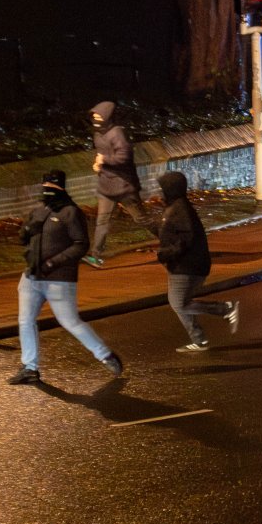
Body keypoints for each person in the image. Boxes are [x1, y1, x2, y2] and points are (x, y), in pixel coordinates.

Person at [9, 170, 122, 384]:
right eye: (45, 187)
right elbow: (23, 239)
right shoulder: (38, 211)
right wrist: (26, 229)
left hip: (58, 279)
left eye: (51, 188)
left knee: (70, 321)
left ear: (61, 187)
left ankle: (105, 355)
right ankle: (30, 368)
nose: (47, 192)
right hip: (31, 277)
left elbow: (81, 244)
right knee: (25, 320)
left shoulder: (71, 212)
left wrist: (54, 262)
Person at [156, 170, 239, 352]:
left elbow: (185, 239)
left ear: (170, 189)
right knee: (179, 303)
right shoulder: (175, 206)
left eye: (162, 189)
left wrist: (165, 254)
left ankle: (225, 309)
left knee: (180, 304)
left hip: (188, 266)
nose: (159, 192)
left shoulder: (180, 209)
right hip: (181, 264)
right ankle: (199, 339)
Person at [86, 101, 154, 264]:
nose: (95, 120)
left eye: (98, 116)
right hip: (106, 186)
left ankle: (169, 239)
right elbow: (101, 155)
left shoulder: (117, 133)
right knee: (102, 220)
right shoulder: (97, 134)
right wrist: (99, 164)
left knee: (141, 219)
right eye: (94, 117)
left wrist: (104, 160)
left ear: (107, 116)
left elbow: (124, 157)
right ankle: (95, 255)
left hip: (124, 186)